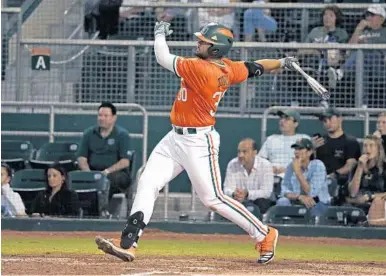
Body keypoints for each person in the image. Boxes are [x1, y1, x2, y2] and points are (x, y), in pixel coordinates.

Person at [95, 21, 299, 264]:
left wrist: (159, 33)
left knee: (212, 198)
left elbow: (162, 57)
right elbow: (255, 67)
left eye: (204, 41)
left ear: (216, 49)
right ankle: (128, 243)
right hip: (174, 138)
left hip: (198, 142)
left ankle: (265, 234)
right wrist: (281, 62)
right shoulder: (227, 68)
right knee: (147, 181)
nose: (199, 43)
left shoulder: (201, 69)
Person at [77, 102, 133, 212]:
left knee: (108, 180)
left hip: (115, 173)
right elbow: (81, 158)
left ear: (114, 118)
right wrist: (89, 174)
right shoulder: (88, 134)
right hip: (93, 171)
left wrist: (106, 172)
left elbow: (125, 162)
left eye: (105, 116)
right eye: (100, 115)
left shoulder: (122, 135)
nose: (101, 118)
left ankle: (103, 211)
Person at [313, 107, 361, 203]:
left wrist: (332, 175)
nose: (327, 122)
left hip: (339, 182)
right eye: (324, 120)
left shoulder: (350, 142)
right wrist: (312, 149)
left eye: (330, 118)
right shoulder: (319, 141)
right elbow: (311, 164)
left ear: (340, 119)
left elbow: (349, 166)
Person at [277, 138, 330, 217]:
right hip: (297, 201)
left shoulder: (318, 165)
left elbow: (312, 193)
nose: (296, 152)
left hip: (318, 203)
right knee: (282, 201)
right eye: (296, 149)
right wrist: (299, 197)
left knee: (311, 204)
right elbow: (284, 191)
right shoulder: (291, 166)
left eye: (300, 149)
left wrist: (298, 172)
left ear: (309, 152)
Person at [223, 138, 274, 219]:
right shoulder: (232, 164)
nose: (241, 155)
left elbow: (266, 192)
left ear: (255, 152)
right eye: (239, 151)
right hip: (238, 201)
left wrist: (247, 194)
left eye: (244, 151)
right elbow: (227, 189)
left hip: (259, 203)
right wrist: (234, 193)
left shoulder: (266, 165)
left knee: (262, 202)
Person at [258, 109, 310, 178]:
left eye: (287, 119)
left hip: (296, 177)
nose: (282, 121)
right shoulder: (271, 139)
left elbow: (308, 164)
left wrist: (288, 170)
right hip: (273, 178)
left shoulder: (303, 139)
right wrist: (269, 169)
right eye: (281, 118)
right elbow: (259, 161)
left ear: (295, 124)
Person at [346, 135, 386, 215]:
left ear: (378, 149)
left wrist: (371, 196)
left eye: (371, 145)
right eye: (365, 145)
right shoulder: (356, 167)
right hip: (358, 207)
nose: (367, 148)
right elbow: (353, 193)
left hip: (379, 206)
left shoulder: (384, 167)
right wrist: (360, 167)